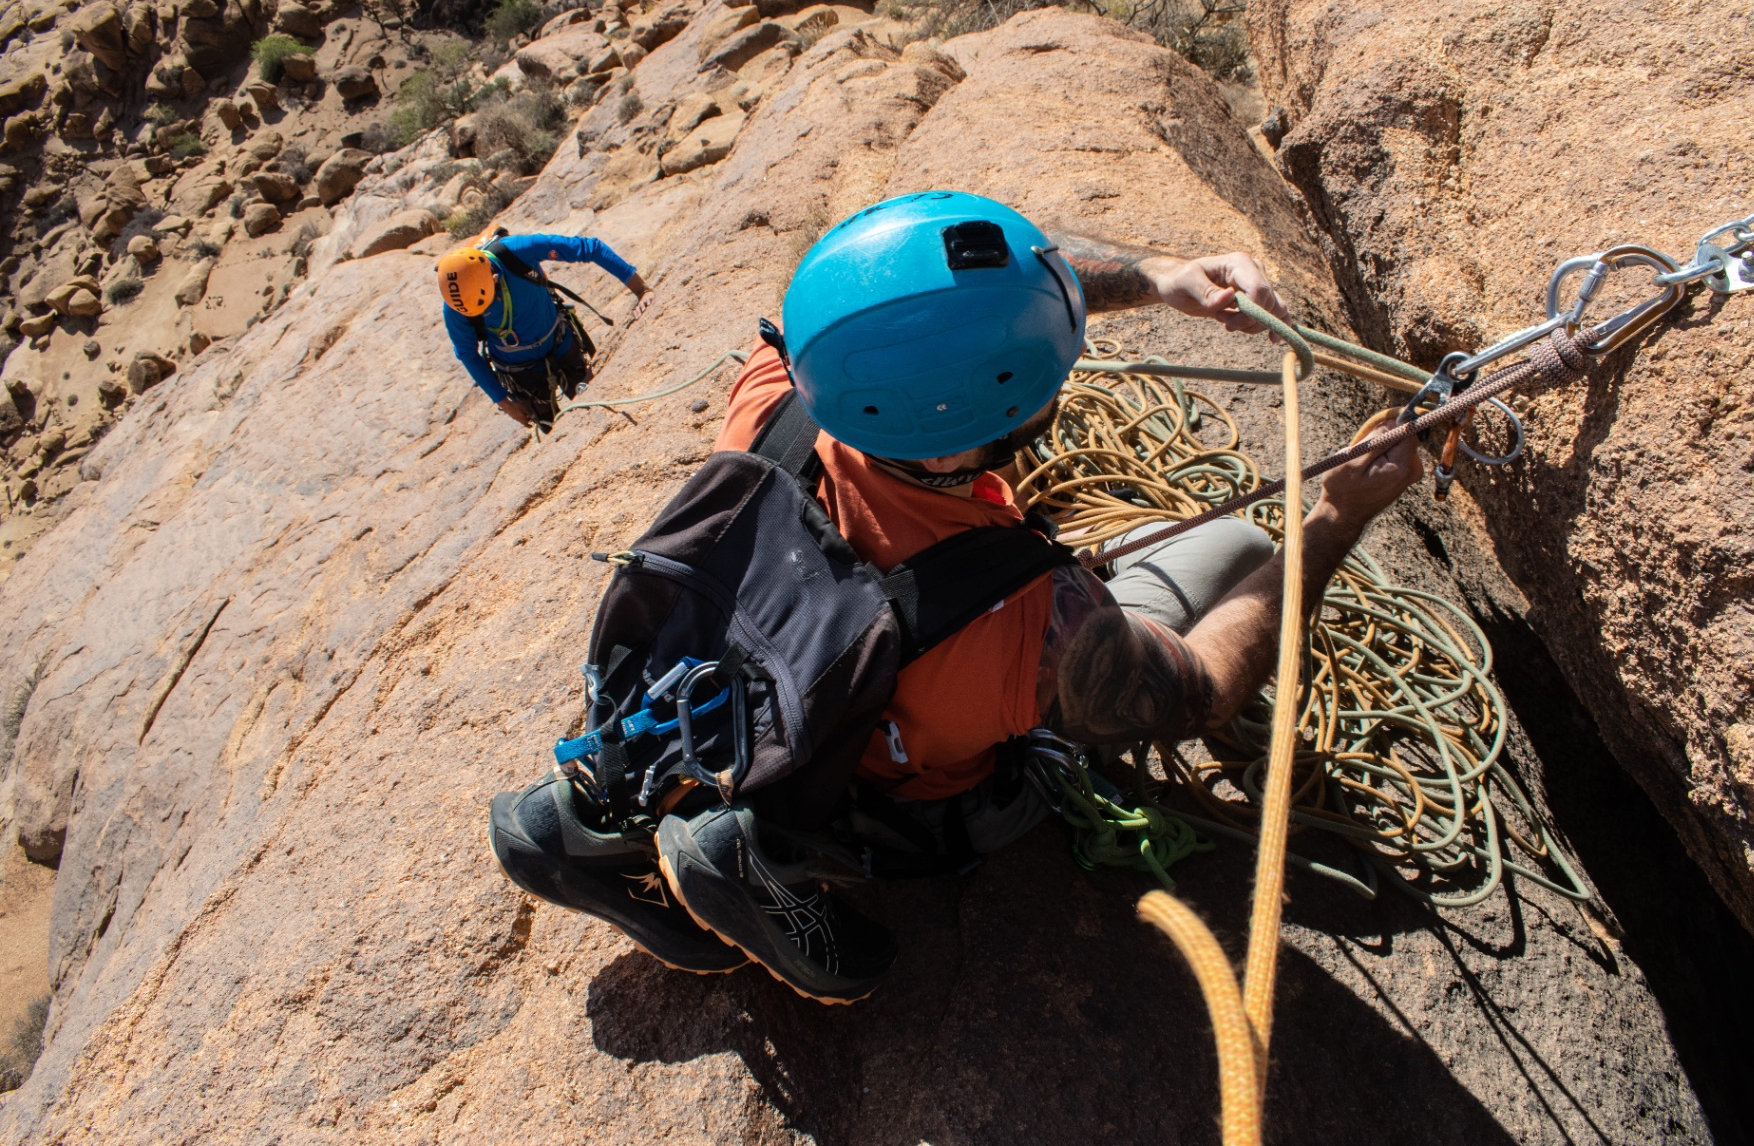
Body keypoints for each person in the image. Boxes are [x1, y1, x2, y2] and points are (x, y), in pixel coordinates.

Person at [488, 193, 1422, 1003]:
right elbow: (1200, 691)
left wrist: (1160, 275)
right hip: (901, 795)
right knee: (1244, 543)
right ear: (949, 448)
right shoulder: (1043, 626)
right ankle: (774, 858)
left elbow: (914, 300)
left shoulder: (779, 386)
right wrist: (1336, 517)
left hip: (740, 679)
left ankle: (573, 821)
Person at [435, 232, 653, 428]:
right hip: (523, 375)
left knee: (603, 401)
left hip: (560, 344)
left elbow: (589, 248)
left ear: (494, 278)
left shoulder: (516, 252)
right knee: (555, 430)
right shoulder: (455, 305)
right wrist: (507, 404)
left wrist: (641, 290)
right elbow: (467, 353)